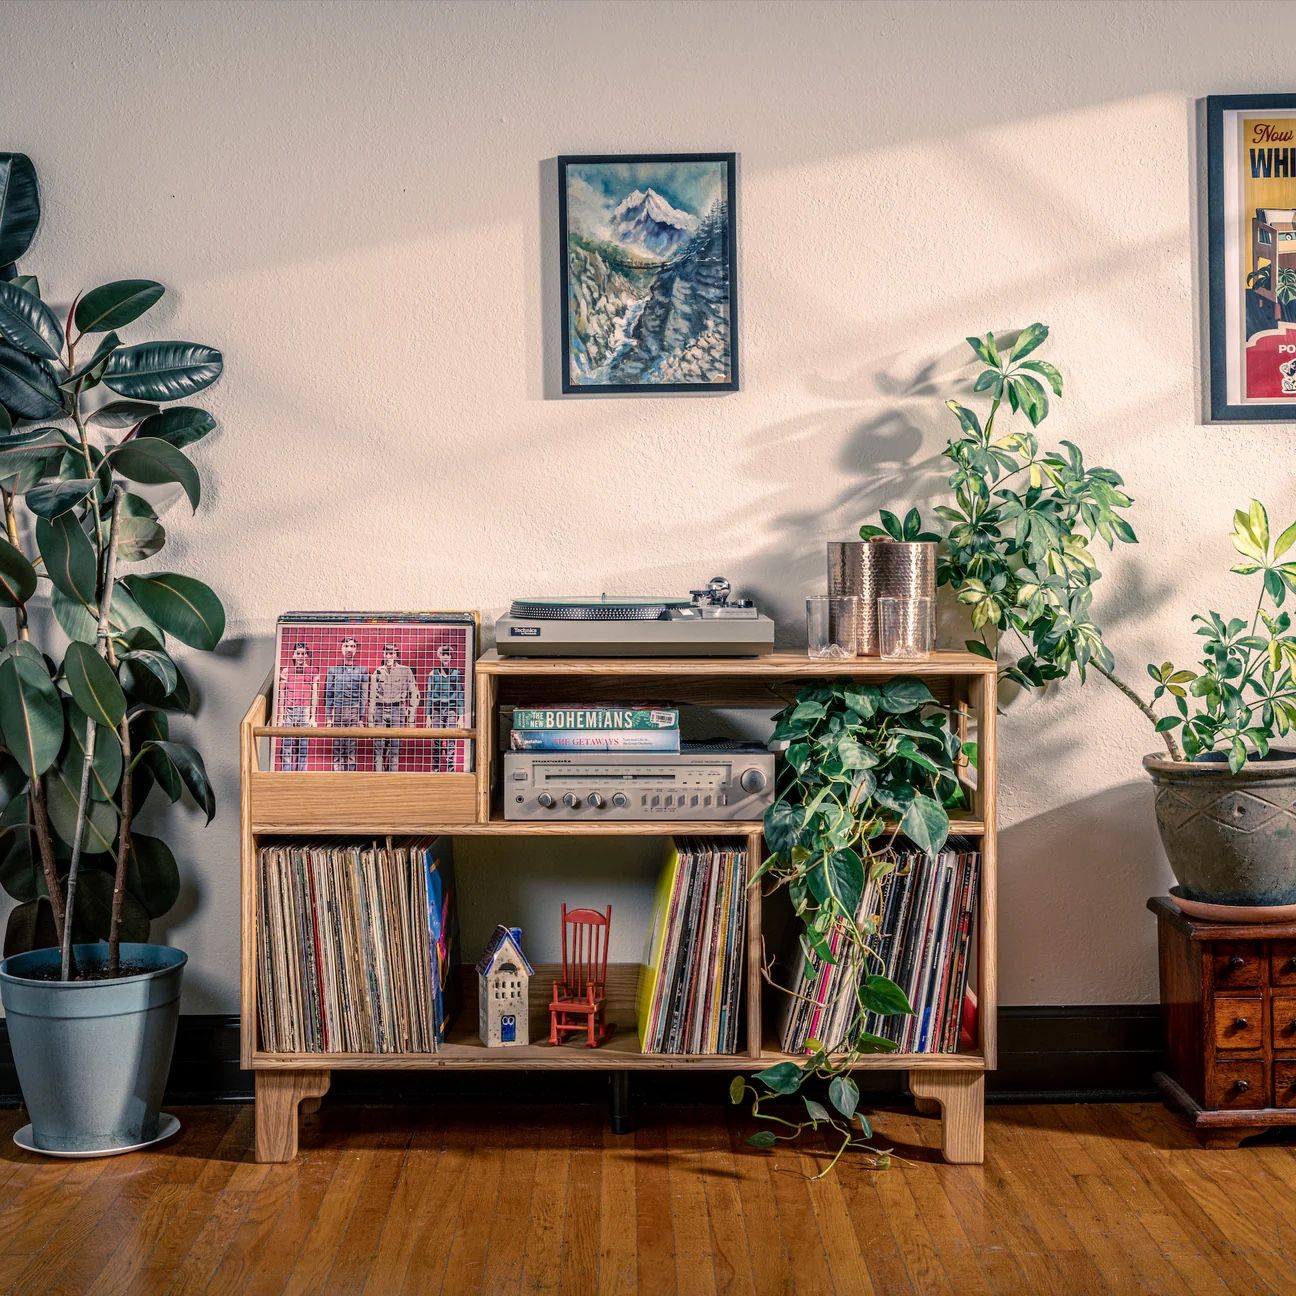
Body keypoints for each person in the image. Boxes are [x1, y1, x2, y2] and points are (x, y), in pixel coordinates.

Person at [369, 643, 419, 772]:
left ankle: (392, 776)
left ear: (396, 655)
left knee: (395, 747)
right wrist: (370, 720)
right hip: (380, 710)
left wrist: (411, 718)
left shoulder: (405, 671)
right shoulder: (378, 671)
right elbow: (372, 696)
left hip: (397, 710)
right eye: (386, 653)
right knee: (378, 747)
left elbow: (414, 693)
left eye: (392, 653)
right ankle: (378, 777)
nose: (389, 656)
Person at [323, 636, 368, 771]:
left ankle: (350, 774)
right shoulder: (333, 671)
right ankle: (337, 774)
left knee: (351, 746)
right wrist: (328, 718)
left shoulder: (362, 671)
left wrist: (361, 718)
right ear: (341, 649)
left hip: (354, 710)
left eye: (352, 646)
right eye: (346, 646)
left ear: (356, 650)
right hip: (338, 710)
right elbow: (329, 696)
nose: (349, 649)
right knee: (337, 745)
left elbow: (363, 697)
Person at [277, 641, 318, 771]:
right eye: (298, 653)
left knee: (303, 744)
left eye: (303, 654)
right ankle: (286, 773)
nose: (300, 656)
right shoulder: (286, 671)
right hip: (289, 710)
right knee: (287, 743)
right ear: (293, 655)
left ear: (307, 655)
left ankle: (301, 773)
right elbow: (282, 694)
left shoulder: (312, 671)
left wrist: (312, 717)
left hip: (304, 710)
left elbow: (314, 695)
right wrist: (280, 717)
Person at [426, 642, 465, 772]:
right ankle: (435, 770)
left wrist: (461, 716)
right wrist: (428, 716)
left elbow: (460, 694)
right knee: (436, 740)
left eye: (448, 654)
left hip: (451, 710)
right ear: (439, 656)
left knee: (451, 741)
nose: (446, 657)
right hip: (437, 710)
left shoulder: (456, 674)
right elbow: (429, 694)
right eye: (443, 654)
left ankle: (450, 770)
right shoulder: (433, 674)